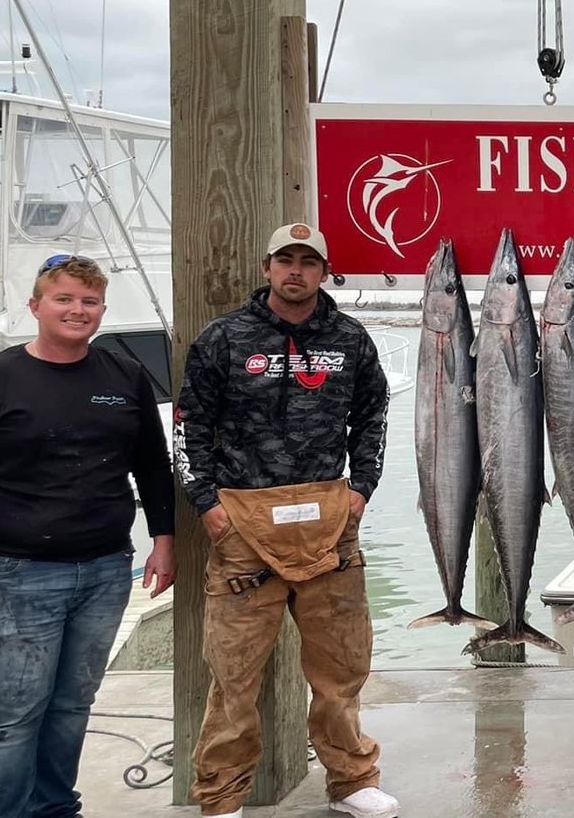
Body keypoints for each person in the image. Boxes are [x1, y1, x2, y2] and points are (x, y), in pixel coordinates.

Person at [0, 253, 177, 817]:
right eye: (63, 299)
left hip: (104, 569)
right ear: (36, 306)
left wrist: (164, 538)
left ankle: (54, 808)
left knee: (72, 704)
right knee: (13, 711)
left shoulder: (124, 376)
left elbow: (151, 465)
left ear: (102, 310)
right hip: (14, 573)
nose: (77, 310)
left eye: (89, 302)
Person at [176, 222, 396, 818]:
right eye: (285, 260)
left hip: (330, 521)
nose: (296, 270)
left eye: (308, 261)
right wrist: (207, 503)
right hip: (243, 523)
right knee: (233, 673)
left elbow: (373, 416)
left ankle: (352, 781)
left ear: (324, 272)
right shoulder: (223, 338)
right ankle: (221, 797)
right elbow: (188, 424)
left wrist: (363, 488)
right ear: (267, 267)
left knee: (342, 665)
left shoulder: (350, 339)